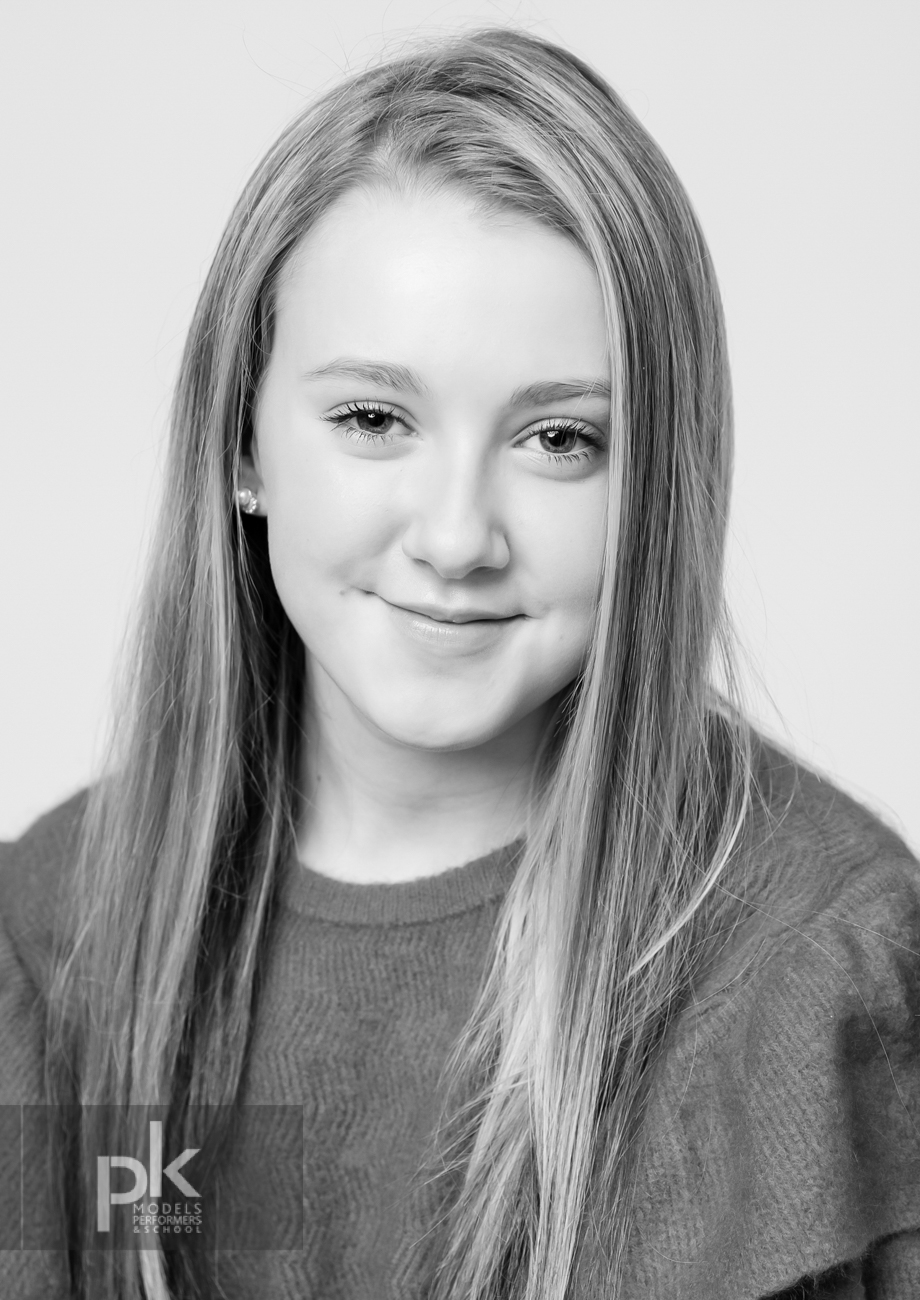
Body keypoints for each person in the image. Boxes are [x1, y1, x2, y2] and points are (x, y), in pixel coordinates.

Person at [0, 24, 917, 1300]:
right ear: (242, 445)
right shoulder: (47, 936)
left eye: (558, 439)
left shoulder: (817, 961)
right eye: (373, 418)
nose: (453, 538)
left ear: (656, 481)